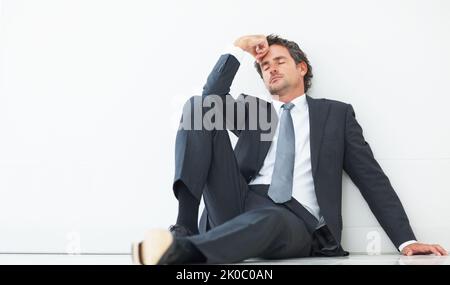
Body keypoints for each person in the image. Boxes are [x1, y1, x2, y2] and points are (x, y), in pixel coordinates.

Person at [132, 34, 447, 265]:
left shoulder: (335, 115)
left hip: (295, 220)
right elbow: (210, 100)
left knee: (269, 219)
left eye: (279, 61)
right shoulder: (255, 111)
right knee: (200, 106)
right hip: (236, 200)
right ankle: (184, 228)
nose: (271, 68)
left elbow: (371, 178)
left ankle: (187, 255)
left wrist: (406, 240)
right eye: (265, 66)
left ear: (302, 68)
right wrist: (238, 50)